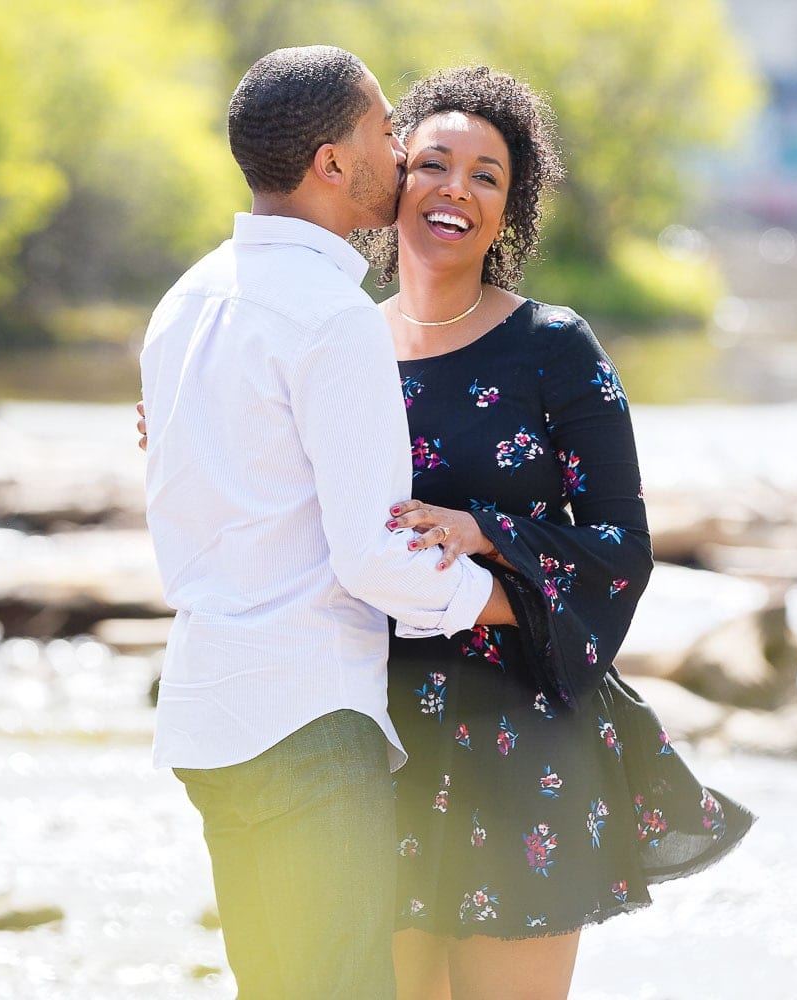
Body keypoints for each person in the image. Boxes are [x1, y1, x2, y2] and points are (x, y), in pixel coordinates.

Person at [348, 66, 755, 1000]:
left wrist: (482, 532)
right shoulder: (338, 343)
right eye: (435, 163)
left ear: (509, 211)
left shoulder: (554, 346)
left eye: (487, 175)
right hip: (370, 737)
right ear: (391, 179)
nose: (456, 188)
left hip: (521, 737)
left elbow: (621, 549)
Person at [138, 47, 514, 1000]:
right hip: (305, 718)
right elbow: (372, 552)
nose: (401, 150)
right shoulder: (331, 314)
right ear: (331, 164)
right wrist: (511, 600)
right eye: (384, 131)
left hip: (207, 716)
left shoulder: (185, 301)